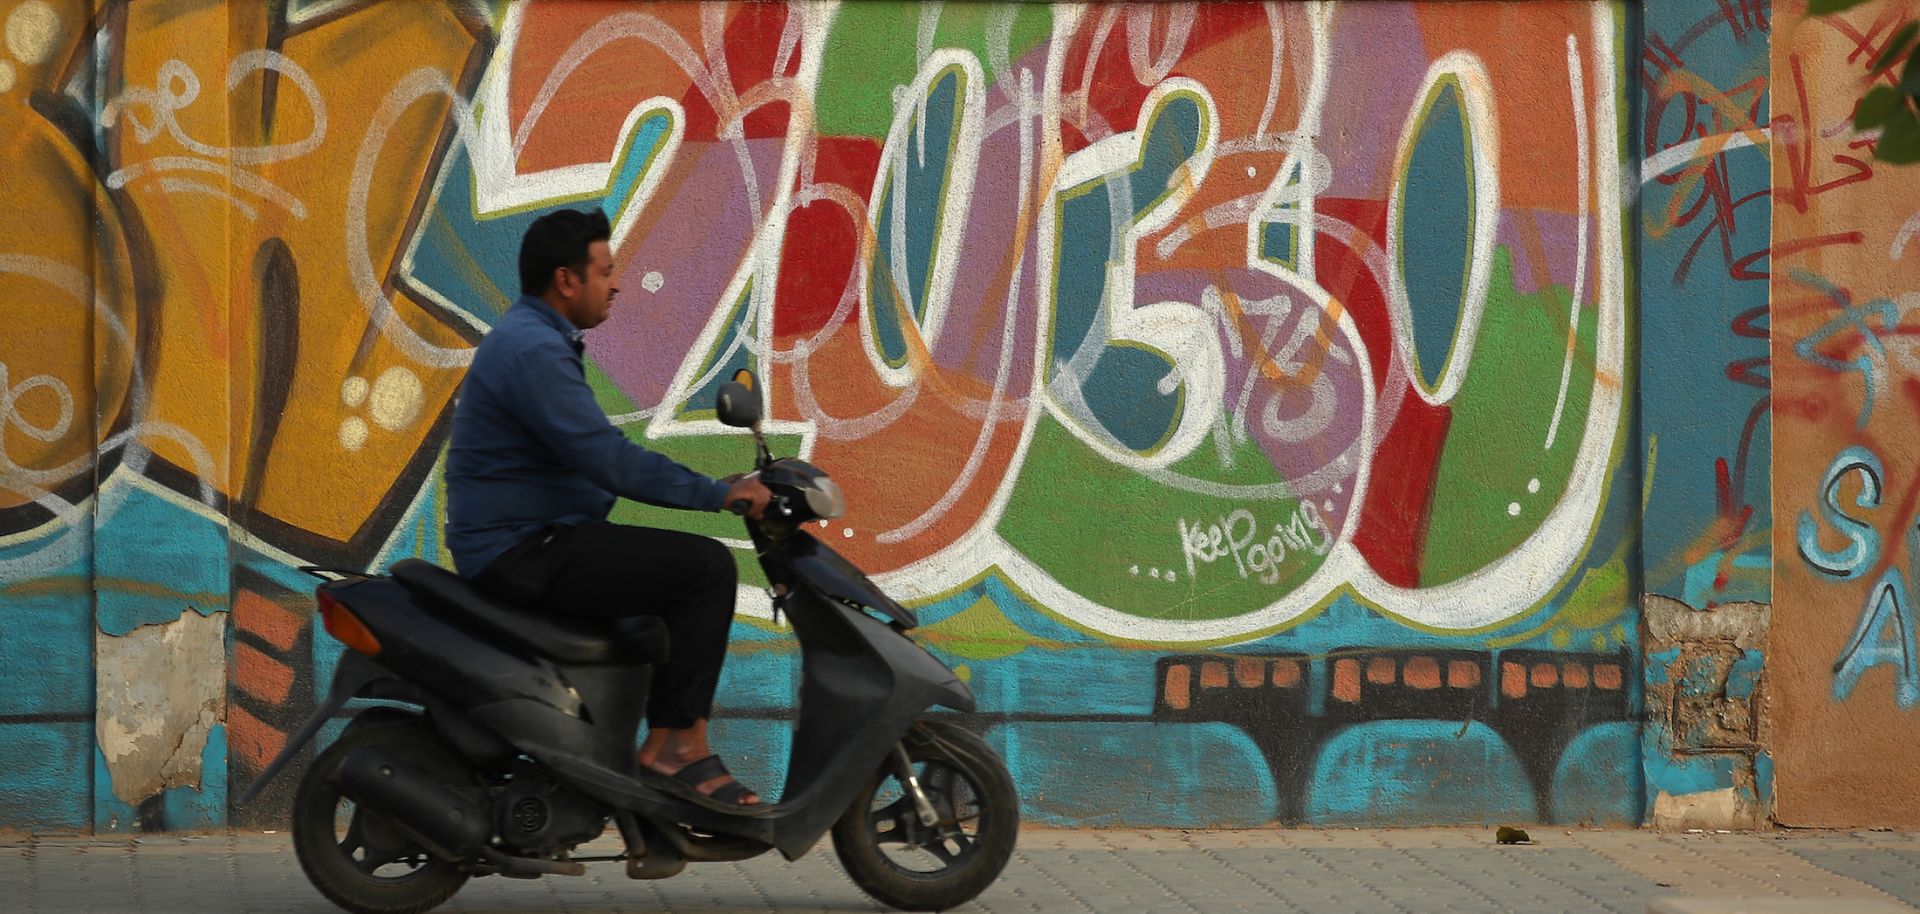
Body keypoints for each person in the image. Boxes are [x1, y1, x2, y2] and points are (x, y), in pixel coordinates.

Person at [445, 208, 773, 807]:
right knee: (705, 570)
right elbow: (607, 459)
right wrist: (715, 495)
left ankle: (626, 758)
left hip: (532, 539)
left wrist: (711, 484)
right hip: (523, 548)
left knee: (654, 601)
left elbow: (593, 456)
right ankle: (680, 750)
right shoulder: (533, 350)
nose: (616, 282)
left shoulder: (537, 340)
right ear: (567, 280)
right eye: (606, 270)